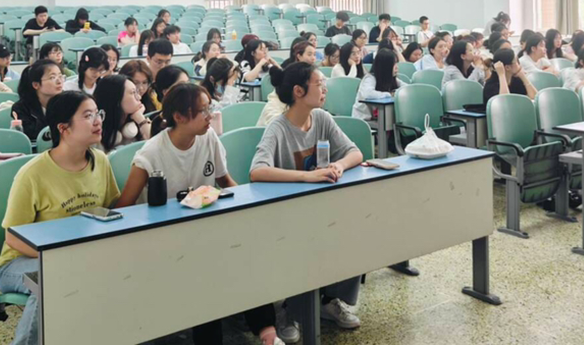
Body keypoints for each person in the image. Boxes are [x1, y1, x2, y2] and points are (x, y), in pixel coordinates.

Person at [116, 83, 283, 345]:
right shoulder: (151, 153)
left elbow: (226, 181)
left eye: (209, 108)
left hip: (205, 228)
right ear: (179, 117)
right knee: (206, 270)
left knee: (247, 251)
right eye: (203, 110)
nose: (210, 116)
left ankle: (268, 333)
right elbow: (125, 207)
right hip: (164, 237)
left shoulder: (208, 138)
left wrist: (250, 209)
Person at [0, 91, 120, 345]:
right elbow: (12, 238)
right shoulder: (32, 174)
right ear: (63, 128)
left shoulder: (100, 161)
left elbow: (110, 208)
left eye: (98, 113)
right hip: (20, 262)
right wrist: (60, 257)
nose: (98, 121)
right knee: (53, 279)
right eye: (88, 115)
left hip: (79, 256)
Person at [250, 63, 363, 332]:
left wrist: (339, 165)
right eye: (319, 84)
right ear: (298, 91)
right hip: (286, 213)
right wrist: (305, 176)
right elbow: (257, 171)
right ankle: (290, 310)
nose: (325, 89)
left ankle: (328, 300)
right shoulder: (278, 127)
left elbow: (355, 153)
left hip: (320, 207)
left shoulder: (321, 118)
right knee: (304, 242)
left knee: (356, 230)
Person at [11, 59, 64, 142]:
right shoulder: (21, 108)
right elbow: (31, 134)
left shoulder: (68, 102)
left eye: (60, 76)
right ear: (36, 85)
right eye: (52, 77)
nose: (59, 81)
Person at [94, 74, 151, 151]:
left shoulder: (138, 121)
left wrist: (140, 119)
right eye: (133, 93)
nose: (139, 97)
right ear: (116, 98)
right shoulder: (95, 129)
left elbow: (156, 146)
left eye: (137, 92)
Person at [353, 49, 399, 121]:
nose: (397, 67)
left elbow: (406, 88)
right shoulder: (370, 78)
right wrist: (389, 94)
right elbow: (368, 94)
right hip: (364, 120)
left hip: (379, 119)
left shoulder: (391, 78)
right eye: (393, 64)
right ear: (385, 66)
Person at [148, 65, 190, 133]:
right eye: (182, 85)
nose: (189, 88)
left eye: (188, 83)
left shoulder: (196, 110)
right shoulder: (159, 121)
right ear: (166, 91)